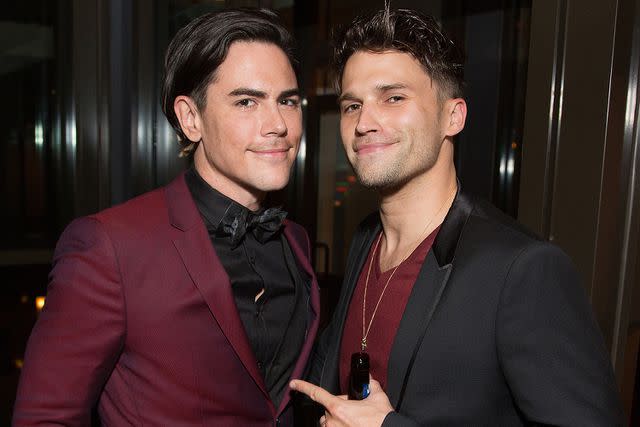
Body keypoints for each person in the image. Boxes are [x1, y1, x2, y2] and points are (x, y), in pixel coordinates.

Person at [290, 6, 623, 427]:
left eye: (393, 97)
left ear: (454, 116)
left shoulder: (522, 269)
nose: (365, 122)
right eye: (352, 105)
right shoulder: (366, 240)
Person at [13, 8, 319, 426]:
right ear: (191, 118)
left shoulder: (296, 242)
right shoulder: (110, 246)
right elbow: (44, 417)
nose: (278, 124)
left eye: (287, 101)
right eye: (247, 102)